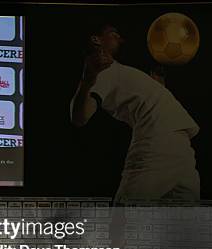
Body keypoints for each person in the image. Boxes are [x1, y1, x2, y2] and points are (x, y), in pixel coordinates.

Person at [70, 23, 200, 204]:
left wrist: (157, 87)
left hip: (182, 148)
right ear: (96, 39)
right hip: (157, 143)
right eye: (114, 33)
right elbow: (79, 117)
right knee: (126, 220)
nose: (120, 39)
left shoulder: (120, 70)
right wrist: (88, 79)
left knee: (183, 225)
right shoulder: (101, 71)